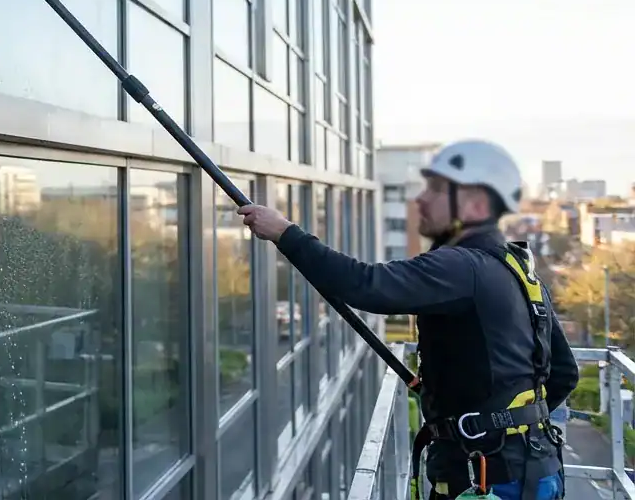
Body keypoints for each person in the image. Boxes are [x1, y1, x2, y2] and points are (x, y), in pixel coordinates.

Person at [239, 139, 578, 500]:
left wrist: (285, 233)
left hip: (491, 479)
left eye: (436, 189)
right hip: (529, 467)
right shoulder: (517, 267)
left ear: (477, 203)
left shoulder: (460, 266)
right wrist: (500, 418)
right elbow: (563, 373)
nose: (421, 200)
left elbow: (364, 284)